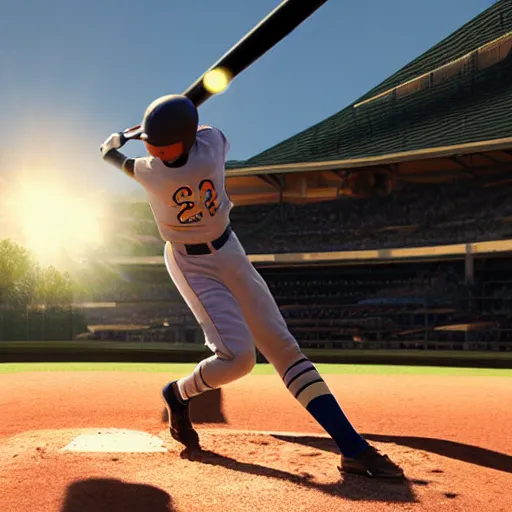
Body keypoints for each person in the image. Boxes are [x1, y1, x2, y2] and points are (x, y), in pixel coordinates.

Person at [100, 94, 404, 479]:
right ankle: (177, 394)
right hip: (195, 263)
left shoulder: (150, 171)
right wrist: (178, 119)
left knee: (283, 348)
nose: (155, 150)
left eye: (158, 144)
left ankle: (352, 448)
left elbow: (115, 158)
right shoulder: (211, 146)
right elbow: (203, 130)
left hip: (222, 254)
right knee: (240, 359)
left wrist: (114, 141)